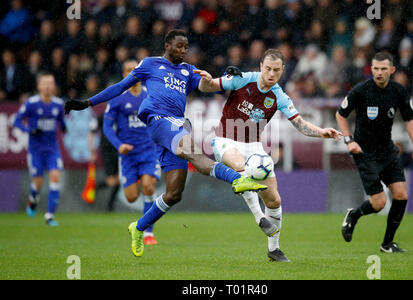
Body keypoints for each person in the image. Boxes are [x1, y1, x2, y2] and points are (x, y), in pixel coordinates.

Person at [64, 29, 268, 257]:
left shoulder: (188, 70)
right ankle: (238, 179)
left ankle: (138, 227)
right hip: (158, 120)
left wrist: (231, 78)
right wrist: (88, 102)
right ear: (167, 45)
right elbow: (120, 87)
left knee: (174, 193)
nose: (184, 50)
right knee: (195, 154)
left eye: (186, 47)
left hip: (176, 126)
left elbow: (207, 85)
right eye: (179, 46)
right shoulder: (150, 64)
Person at [199, 49, 342, 262]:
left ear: (283, 70)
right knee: (241, 167)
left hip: (254, 147)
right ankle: (259, 218)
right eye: (267, 68)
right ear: (260, 66)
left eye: (276, 70)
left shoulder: (279, 96)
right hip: (225, 140)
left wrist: (321, 132)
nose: (271, 73)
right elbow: (206, 87)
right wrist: (207, 80)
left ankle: (274, 250)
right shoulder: (242, 79)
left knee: (274, 200)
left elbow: (300, 124)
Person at [336, 52, 413, 253]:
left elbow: (410, 119)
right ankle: (354, 215)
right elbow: (340, 115)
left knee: (401, 196)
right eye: (375, 68)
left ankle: (387, 244)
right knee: (379, 203)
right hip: (364, 152)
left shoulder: (399, 91)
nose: (379, 72)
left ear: (392, 70)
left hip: (387, 150)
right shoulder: (361, 90)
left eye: (384, 69)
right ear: (371, 69)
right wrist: (349, 140)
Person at [102, 59, 161, 245]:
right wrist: (119, 144)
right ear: (123, 75)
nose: (132, 73)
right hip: (127, 155)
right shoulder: (117, 98)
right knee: (131, 196)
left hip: (148, 151)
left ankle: (148, 232)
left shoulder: (151, 95)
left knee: (149, 187)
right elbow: (106, 126)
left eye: (134, 70)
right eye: (128, 70)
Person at [13, 72, 66, 226]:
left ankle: (49, 216)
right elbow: (16, 121)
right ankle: (32, 199)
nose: (48, 87)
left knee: (55, 177)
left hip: (52, 150)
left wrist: (64, 127)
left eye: (51, 83)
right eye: (45, 84)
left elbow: (61, 120)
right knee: (38, 182)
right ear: (39, 86)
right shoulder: (31, 103)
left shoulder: (58, 104)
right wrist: (29, 130)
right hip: (35, 150)